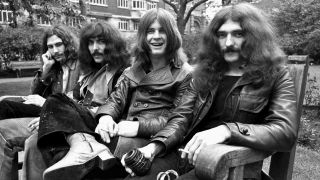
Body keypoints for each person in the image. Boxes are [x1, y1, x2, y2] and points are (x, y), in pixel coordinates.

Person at [126, 3, 298, 180]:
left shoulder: (275, 75)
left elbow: (285, 131)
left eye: (238, 34)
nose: (229, 43)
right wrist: (155, 147)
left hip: (229, 167)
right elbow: (180, 117)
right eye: (222, 35)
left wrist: (227, 131)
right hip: (185, 157)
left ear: (254, 36)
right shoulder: (206, 72)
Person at [35, 8, 192, 180]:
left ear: (172, 35)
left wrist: (138, 127)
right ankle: (84, 147)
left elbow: (179, 120)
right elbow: (115, 100)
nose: (156, 36)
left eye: (162, 31)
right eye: (150, 31)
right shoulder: (133, 70)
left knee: (63, 148)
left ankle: (84, 151)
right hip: (116, 129)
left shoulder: (185, 74)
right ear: (143, 37)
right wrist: (106, 117)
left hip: (148, 139)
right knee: (56, 101)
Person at [22, 21, 130, 180]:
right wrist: (52, 116)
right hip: (80, 124)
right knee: (34, 142)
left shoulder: (124, 72)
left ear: (113, 44)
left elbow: (114, 107)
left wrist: (57, 114)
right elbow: (73, 100)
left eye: (101, 41)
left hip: (102, 127)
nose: (95, 48)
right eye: (91, 43)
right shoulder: (93, 74)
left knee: (55, 100)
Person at [0, 25, 81, 180]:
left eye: (59, 45)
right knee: (4, 105)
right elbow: (34, 95)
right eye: (50, 46)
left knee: (3, 125)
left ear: (68, 43)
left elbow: (82, 101)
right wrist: (45, 70)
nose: (55, 51)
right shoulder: (54, 67)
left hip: (63, 118)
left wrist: (47, 103)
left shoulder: (82, 66)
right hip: (45, 112)